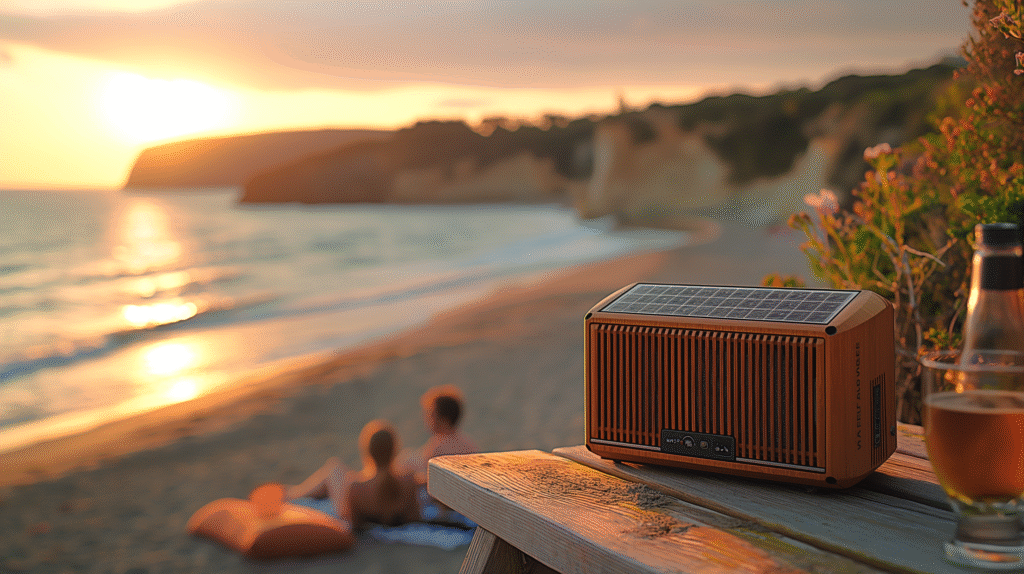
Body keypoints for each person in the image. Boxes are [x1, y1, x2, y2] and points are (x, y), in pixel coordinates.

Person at [286, 419, 420, 528]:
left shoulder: (356, 487)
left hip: (353, 507)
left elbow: (352, 524)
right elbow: (415, 517)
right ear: (394, 449)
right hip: (392, 514)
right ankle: (294, 494)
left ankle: (293, 495)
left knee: (334, 467)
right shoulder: (409, 480)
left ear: (368, 452)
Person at [408, 384, 478, 481]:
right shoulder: (468, 443)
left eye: (431, 414)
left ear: (444, 420)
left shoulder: (438, 448)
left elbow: (427, 478)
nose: (426, 419)